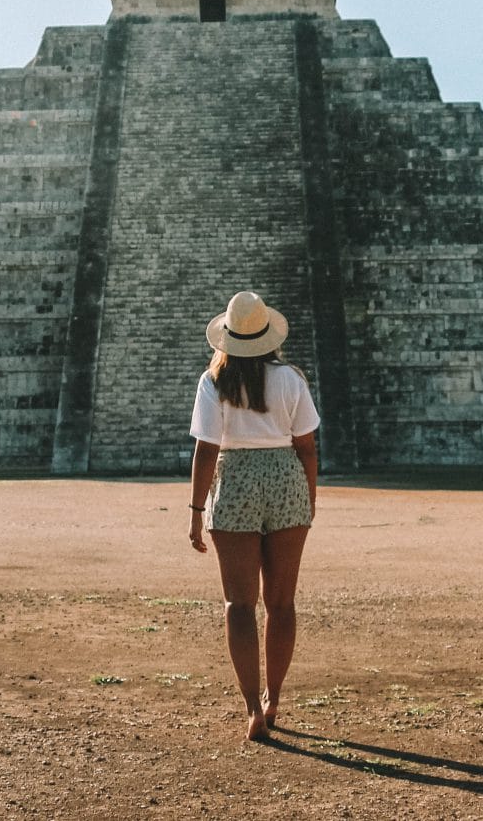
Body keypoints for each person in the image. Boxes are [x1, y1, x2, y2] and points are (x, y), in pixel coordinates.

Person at [186, 290, 319, 741]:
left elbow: (206, 450)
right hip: (285, 479)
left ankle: (250, 707)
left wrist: (195, 509)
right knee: (281, 603)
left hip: (236, 481)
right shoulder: (292, 379)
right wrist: (310, 499)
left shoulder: (213, 382)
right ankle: (274, 697)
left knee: (238, 605)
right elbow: (306, 446)